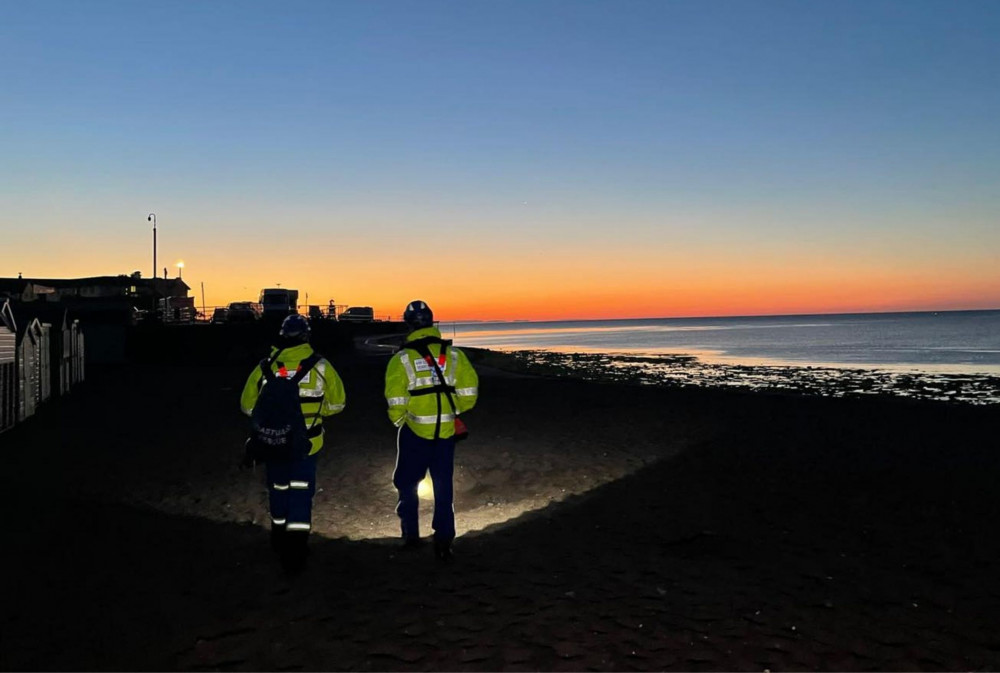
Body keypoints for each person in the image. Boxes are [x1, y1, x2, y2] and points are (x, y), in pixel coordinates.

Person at [240, 314, 346, 572]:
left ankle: (278, 537)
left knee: (277, 489)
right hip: (307, 444)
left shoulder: (265, 365)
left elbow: (246, 406)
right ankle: (297, 549)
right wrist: (315, 414)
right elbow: (338, 404)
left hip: (272, 443)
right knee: (301, 492)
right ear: (307, 336)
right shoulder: (321, 366)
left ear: (282, 335)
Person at [384, 300, 479, 560]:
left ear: (408, 323)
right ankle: (444, 541)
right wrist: (452, 410)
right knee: (443, 487)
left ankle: (410, 535)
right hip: (445, 433)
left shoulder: (401, 359)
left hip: (414, 432)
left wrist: (401, 420)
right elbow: (470, 394)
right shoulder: (455, 356)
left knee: (406, 483)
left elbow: (394, 399)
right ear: (431, 321)